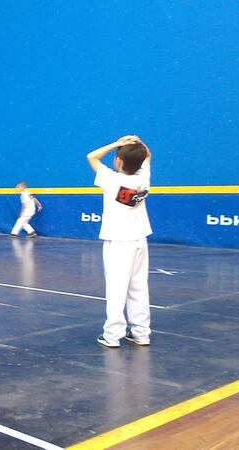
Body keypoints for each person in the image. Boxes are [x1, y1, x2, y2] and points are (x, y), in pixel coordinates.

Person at [86, 135, 152, 348]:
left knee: (116, 289)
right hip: (139, 240)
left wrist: (117, 143)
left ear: (118, 161)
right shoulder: (143, 177)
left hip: (118, 242)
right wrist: (138, 143)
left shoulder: (112, 180)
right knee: (139, 288)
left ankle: (112, 335)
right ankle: (141, 333)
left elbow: (92, 157)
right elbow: (148, 156)